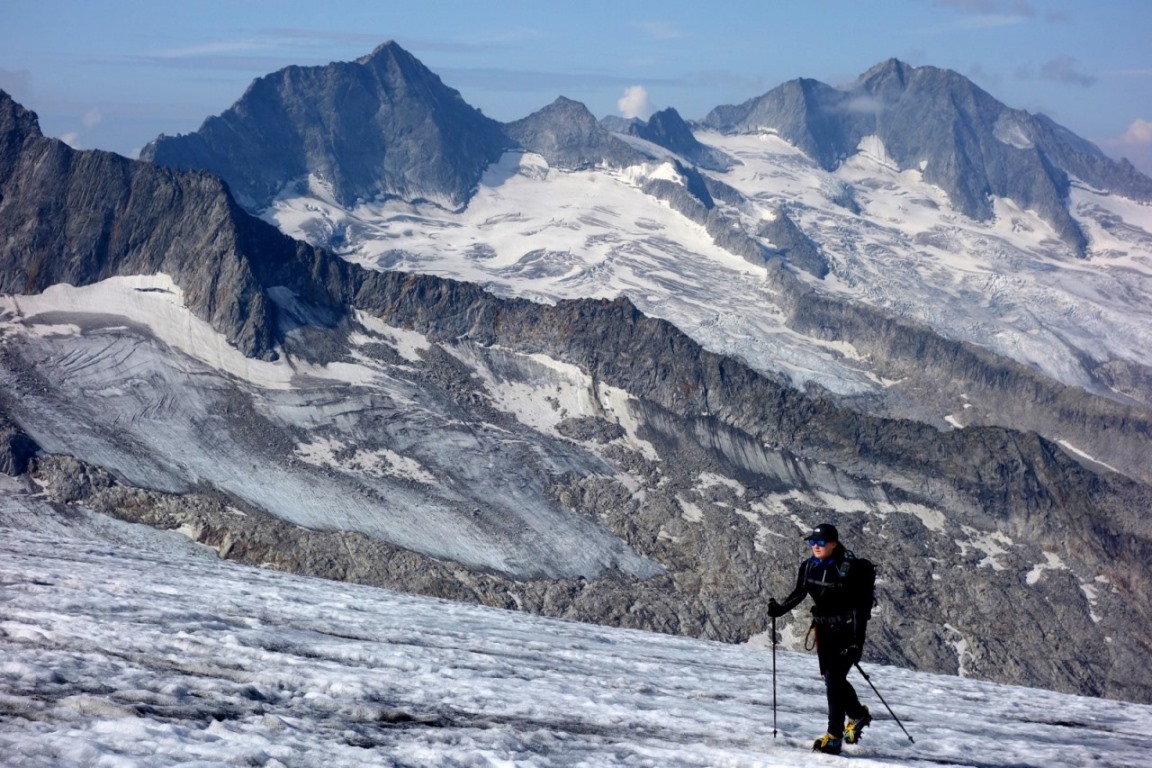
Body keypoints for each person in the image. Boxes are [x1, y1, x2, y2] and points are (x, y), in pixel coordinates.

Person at [768, 523, 875, 755]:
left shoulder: (848, 570)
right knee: (832, 679)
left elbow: (858, 609)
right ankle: (857, 714)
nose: (815, 547)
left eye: (820, 543)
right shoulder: (808, 567)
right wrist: (780, 609)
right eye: (812, 542)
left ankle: (834, 737)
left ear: (833, 544)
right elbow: (799, 593)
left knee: (833, 681)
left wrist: (857, 642)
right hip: (824, 631)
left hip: (846, 631)